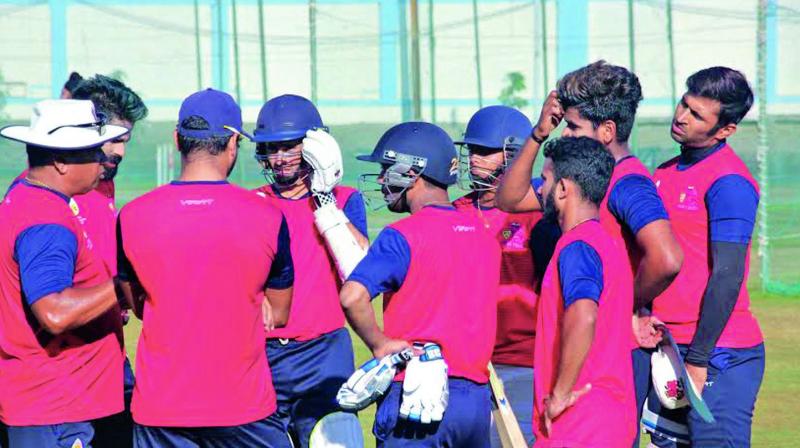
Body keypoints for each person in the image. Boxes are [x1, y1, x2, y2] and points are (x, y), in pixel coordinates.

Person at [496, 61, 683, 443]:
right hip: (585, 356)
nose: (566, 132)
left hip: (606, 360)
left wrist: (628, 304)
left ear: (607, 131)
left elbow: (667, 257)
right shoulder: (575, 180)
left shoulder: (628, 183)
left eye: (574, 126)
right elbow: (509, 197)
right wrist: (538, 134)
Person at [117, 89, 294, 447]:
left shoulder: (132, 216)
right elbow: (279, 312)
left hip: (160, 411)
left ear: (177, 140)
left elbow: (134, 303)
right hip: (244, 410)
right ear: (233, 142)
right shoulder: (268, 216)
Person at [342, 121, 501, 446]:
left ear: (412, 172)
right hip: (474, 400)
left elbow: (352, 296)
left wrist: (379, 344)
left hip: (416, 393)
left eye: (388, 169)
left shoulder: (402, 235)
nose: (383, 179)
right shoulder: (484, 235)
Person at [644, 67, 765, 447]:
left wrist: (698, 359)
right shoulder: (664, 172)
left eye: (698, 115)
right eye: (684, 103)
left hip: (717, 356)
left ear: (725, 130)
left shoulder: (729, 181)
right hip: (667, 348)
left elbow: (727, 276)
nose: (681, 116)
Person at [0, 99, 130, 447]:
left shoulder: (29, 199)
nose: (102, 161)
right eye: (91, 152)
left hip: (49, 401)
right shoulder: (45, 220)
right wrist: (122, 286)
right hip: (55, 406)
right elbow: (54, 312)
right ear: (59, 160)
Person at [250, 94, 368, 447]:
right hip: (263, 351)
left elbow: (361, 266)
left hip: (324, 351)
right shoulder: (251, 204)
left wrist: (325, 199)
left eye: (290, 146)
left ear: (315, 146)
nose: (280, 157)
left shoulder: (344, 199)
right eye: (272, 148)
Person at [451, 105, 557, 447]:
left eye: (484, 152)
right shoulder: (455, 212)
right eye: (471, 151)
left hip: (524, 363)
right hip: (464, 367)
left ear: (512, 154)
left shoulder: (538, 215)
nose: (474, 160)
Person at [533, 136, 636, 447]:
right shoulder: (607, 244)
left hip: (581, 423)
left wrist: (561, 393)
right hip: (610, 418)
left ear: (563, 189)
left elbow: (584, 315)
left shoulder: (577, 247)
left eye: (545, 179)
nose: (539, 189)